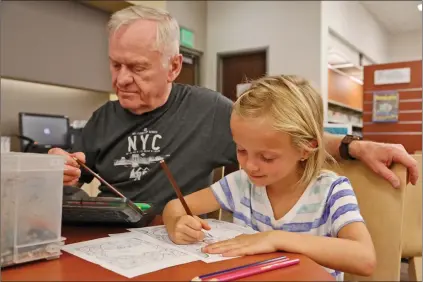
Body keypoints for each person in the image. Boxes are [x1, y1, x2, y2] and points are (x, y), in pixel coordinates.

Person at [49, 5, 418, 213]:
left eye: (138, 68)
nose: (122, 79)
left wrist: (355, 145)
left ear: (174, 67)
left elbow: (288, 138)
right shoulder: (100, 119)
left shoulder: (207, 110)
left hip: (176, 243)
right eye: (116, 65)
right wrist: (59, 169)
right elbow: (85, 181)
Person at [162, 75, 376, 280]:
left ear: (305, 149)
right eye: (241, 150)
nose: (250, 166)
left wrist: (276, 238)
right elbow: (175, 207)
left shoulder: (332, 191)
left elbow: (364, 259)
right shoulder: (240, 184)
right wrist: (176, 224)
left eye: (266, 157)